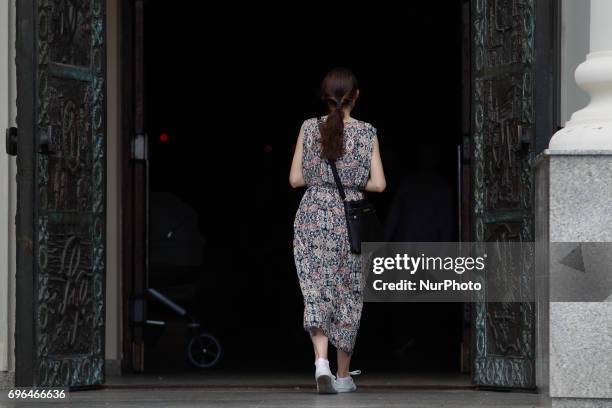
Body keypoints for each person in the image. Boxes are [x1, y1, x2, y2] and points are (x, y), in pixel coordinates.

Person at [289, 67, 386, 393]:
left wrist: (323, 180)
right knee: (349, 295)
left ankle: (320, 362)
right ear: (355, 96)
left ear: (324, 97)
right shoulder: (367, 133)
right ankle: (343, 376)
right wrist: (351, 181)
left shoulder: (307, 128)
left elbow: (295, 180)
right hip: (349, 221)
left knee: (316, 291)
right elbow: (379, 184)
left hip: (312, 218)